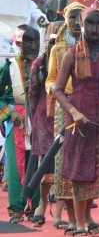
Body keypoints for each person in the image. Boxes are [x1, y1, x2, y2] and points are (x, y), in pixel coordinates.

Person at [53, 8, 99, 236]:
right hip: (79, 121)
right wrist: (73, 111)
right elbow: (58, 91)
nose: (94, 29)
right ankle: (80, 223)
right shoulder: (71, 54)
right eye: (90, 23)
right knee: (80, 172)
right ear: (82, 24)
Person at [46, 2, 93, 235]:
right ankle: (73, 217)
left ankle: (87, 215)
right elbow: (50, 80)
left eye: (80, 17)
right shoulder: (58, 49)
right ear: (66, 20)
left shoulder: (93, 46)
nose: (76, 22)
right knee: (66, 162)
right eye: (72, 17)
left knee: (89, 160)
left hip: (89, 108)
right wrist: (60, 87)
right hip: (66, 108)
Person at [0, 25, 40, 224]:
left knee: (36, 164)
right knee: (16, 166)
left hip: (38, 121)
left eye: (36, 42)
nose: (33, 46)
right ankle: (16, 209)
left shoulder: (42, 65)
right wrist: (9, 113)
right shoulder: (8, 66)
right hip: (16, 121)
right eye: (28, 42)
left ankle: (34, 208)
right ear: (18, 43)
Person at [28, 21, 58, 227]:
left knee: (66, 164)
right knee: (45, 164)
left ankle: (60, 213)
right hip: (43, 118)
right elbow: (33, 94)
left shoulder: (72, 57)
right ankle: (41, 205)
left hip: (64, 115)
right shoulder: (39, 63)